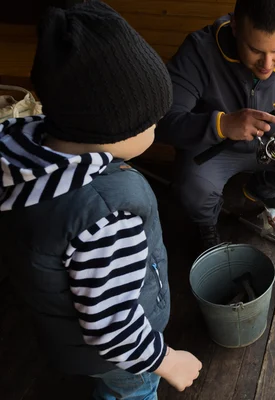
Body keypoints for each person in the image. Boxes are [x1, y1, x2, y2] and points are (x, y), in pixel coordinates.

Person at [0, 2, 202, 398]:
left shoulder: (26, 153)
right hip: (122, 359)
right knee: (132, 391)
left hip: (61, 333)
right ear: (113, 129)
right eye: (152, 121)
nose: (157, 128)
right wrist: (168, 361)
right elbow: (113, 326)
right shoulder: (106, 215)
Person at [156, 0, 275, 250]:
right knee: (191, 190)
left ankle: (259, 187)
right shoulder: (198, 51)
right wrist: (221, 125)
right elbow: (163, 123)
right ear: (234, 26)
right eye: (255, 50)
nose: (267, 64)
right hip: (215, 149)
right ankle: (208, 224)